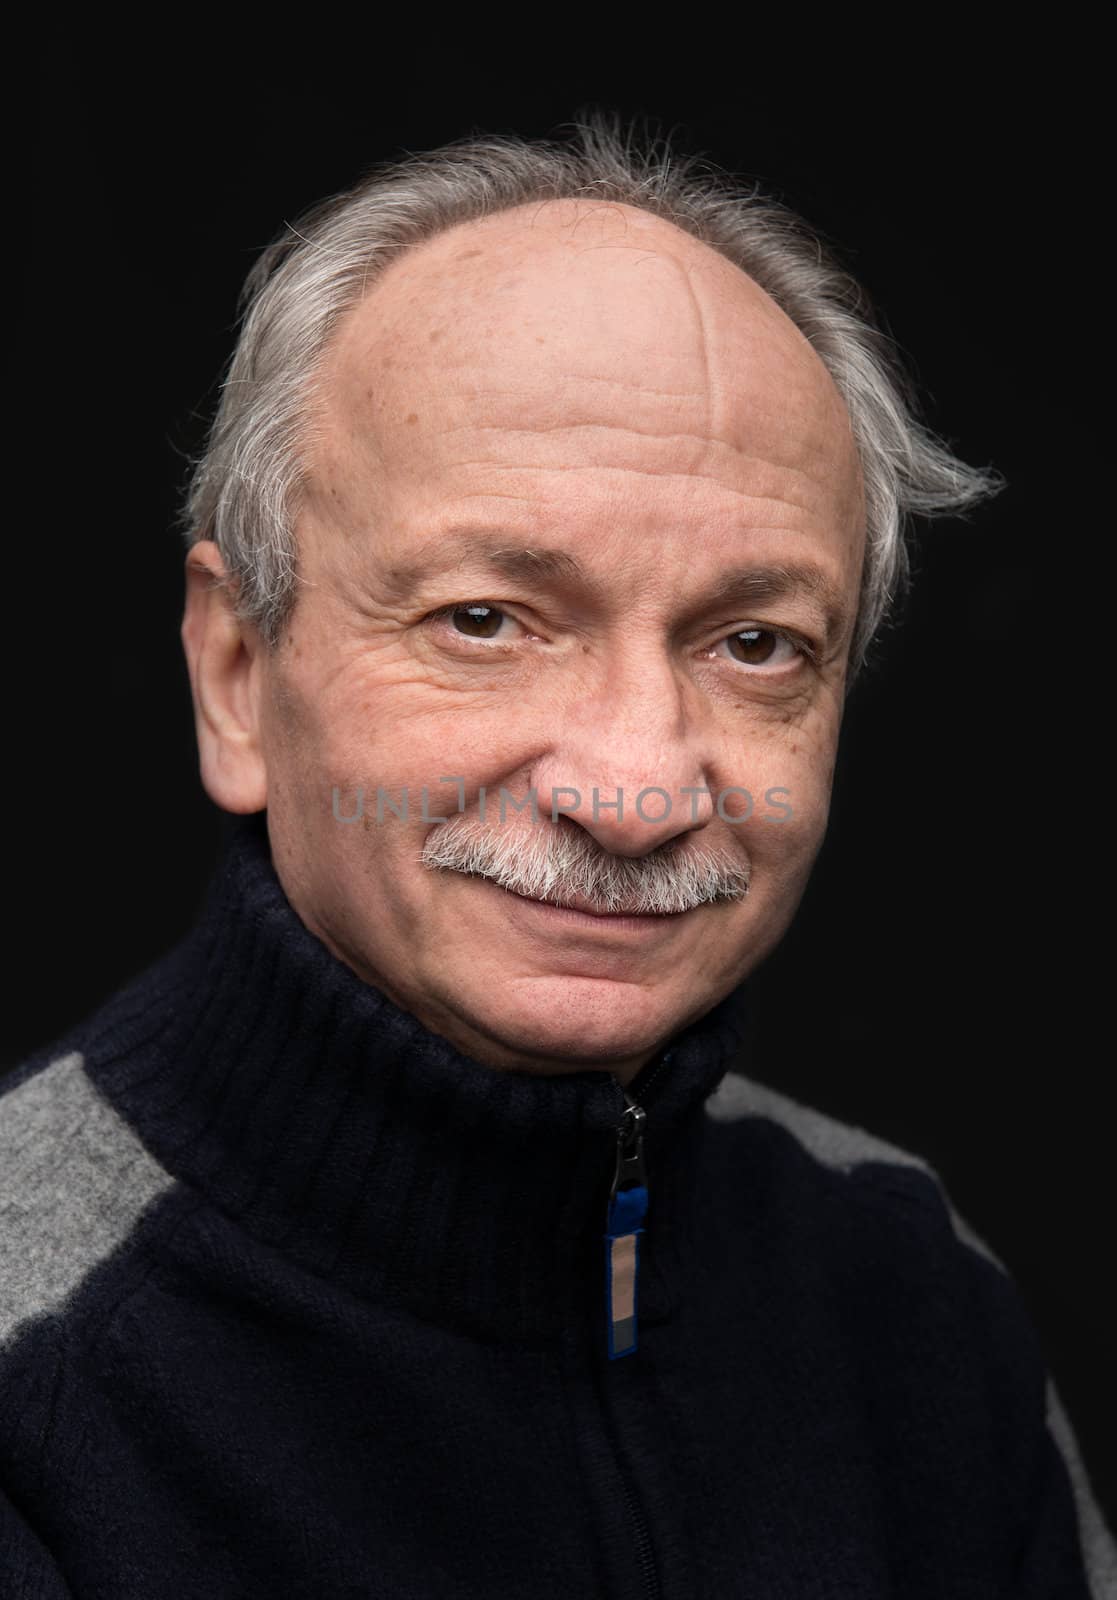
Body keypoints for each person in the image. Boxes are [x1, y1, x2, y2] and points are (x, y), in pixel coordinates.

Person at [2, 109, 1112, 1598]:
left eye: (754, 643)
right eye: (484, 621)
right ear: (236, 673)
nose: (633, 788)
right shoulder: (32, 1359)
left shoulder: (905, 1284)